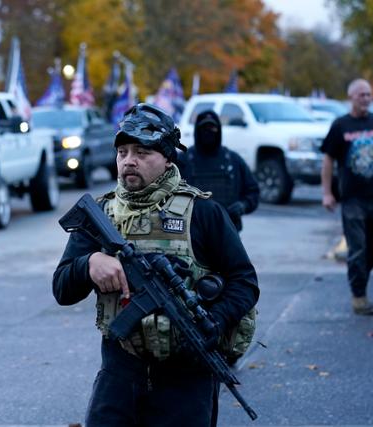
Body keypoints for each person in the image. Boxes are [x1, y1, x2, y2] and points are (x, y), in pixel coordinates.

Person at [52, 103, 259, 427]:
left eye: (142, 152)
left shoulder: (203, 213)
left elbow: (244, 282)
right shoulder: (102, 214)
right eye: (122, 152)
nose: (129, 161)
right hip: (120, 372)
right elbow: (62, 288)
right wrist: (89, 264)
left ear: (167, 158)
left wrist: (213, 323)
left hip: (186, 376)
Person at [321, 79, 373, 315]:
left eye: (369, 95)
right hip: (352, 198)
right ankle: (359, 296)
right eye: (362, 95)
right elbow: (328, 161)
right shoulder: (341, 125)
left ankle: (360, 282)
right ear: (351, 97)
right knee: (357, 248)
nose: (366, 99)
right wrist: (326, 193)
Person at [177, 110, 259, 232]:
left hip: (228, 231)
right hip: (191, 231)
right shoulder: (183, 160)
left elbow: (253, 191)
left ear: (219, 130)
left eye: (212, 128)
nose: (208, 132)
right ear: (196, 131)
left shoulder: (233, 160)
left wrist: (243, 206)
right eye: (204, 128)